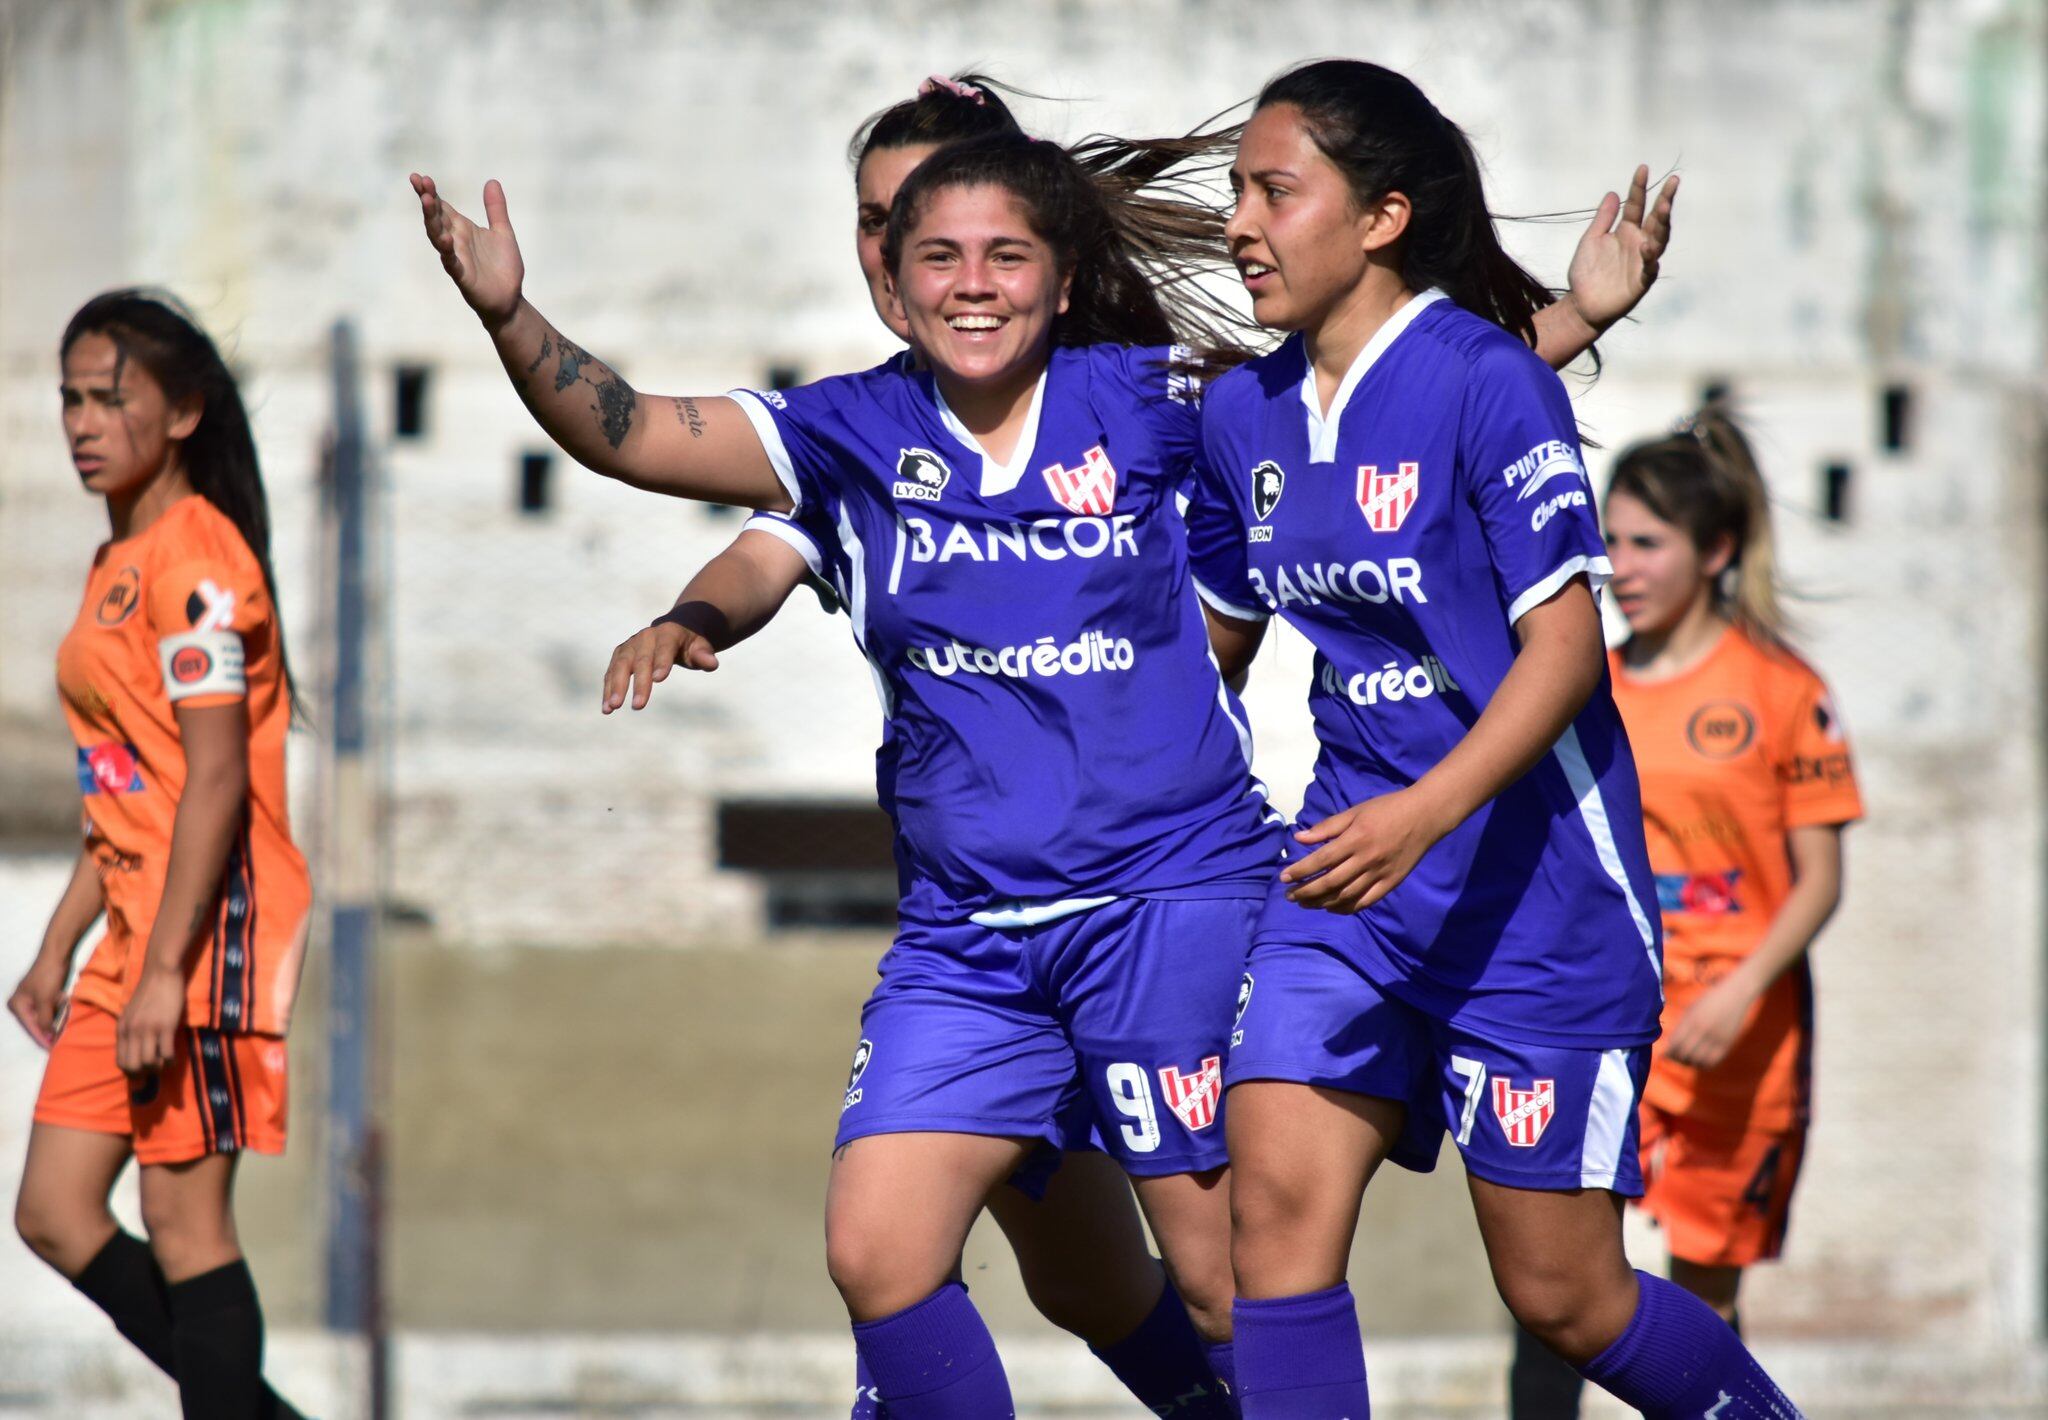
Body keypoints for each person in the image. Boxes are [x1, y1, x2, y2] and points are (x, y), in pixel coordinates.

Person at [416, 85, 1665, 1417]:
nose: (969, 284)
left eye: (1004, 254)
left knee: (1227, 1286)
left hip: (1166, 908)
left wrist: (1571, 320)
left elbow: (1375, 397)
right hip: (969, 935)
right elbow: (644, 434)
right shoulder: (855, 434)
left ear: (1065, 281)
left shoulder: (1154, 399)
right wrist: (510, 319)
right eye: (925, 248)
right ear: (888, 276)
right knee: (880, 1252)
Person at [1183, 60, 1799, 1417]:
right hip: (1348, 884)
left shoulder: (1485, 381)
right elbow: (1215, 646)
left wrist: (1425, 812)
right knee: (1269, 1225)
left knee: (1565, 1299)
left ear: (1383, 215)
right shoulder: (1243, 417)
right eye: (1236, 190)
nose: (1238, 221)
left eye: (1274, 191)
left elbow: (1567, 650)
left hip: (1537, 899)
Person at [1508, 409, 1859, 1417]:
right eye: (1607, 539)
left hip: (1735, 1040)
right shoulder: (1581, 684)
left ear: (1712, 552)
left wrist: (1741, 988)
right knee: (1551, 1289)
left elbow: (1817, 879)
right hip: (1603, 1023)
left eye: (1644, 543)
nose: (1617, 564)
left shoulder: (1781, 691)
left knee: (1700, 1311)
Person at [9, 290, 311, 1420]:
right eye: (70, 400)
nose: (83, 423)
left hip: (210, 929)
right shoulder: (119, 556)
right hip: (135, 927)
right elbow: (133, 784)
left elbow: (219, 780)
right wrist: (59, 943)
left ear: (183, 412)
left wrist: (168, 967)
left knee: (188, 1224)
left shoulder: (198, 562)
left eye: (110, 398)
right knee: (55, 1208)